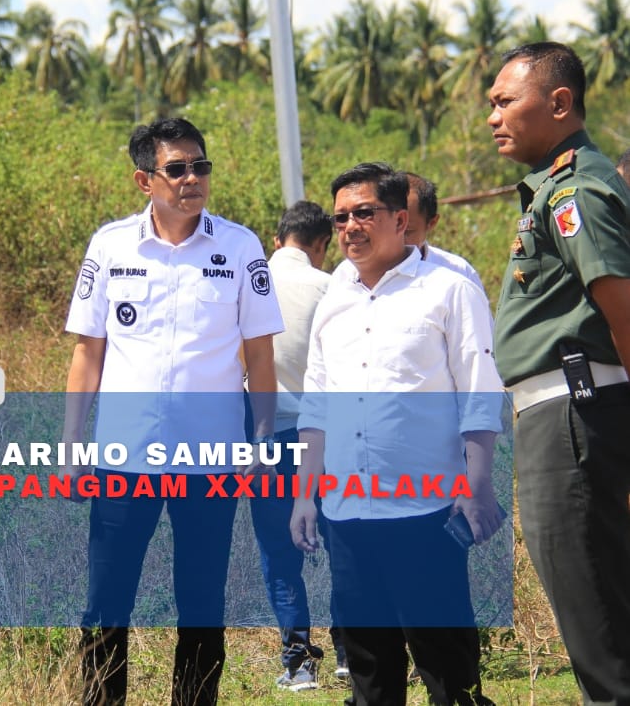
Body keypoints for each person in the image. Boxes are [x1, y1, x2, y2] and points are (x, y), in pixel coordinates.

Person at [61, 117, 283, 705]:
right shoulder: (110, 246)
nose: (192, 178)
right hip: (123, 456)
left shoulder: (240, 248)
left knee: (202, 601)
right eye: (177, 168)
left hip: (210, 459)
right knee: (107, 600)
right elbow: (87, 353)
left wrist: (262, 437)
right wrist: (72, 443)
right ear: (145, 180)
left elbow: (260, 356)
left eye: (200, 166)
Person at [290, 162, 505, 706]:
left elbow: (479, 394)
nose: (350, 227)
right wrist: (304, 496)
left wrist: (477, 485)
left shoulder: (449, 289)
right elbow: (316, 406)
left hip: (427, 513)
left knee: (448, 672)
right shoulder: (332, 299)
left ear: (401, 219)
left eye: (364, 213)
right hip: (346, 515)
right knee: (369, 672)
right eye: (341, 218)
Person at [487, 41, 630, 704]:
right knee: (599, 616)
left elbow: (620, 305)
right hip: (565, 413)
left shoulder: (575, 189)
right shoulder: (553, 187)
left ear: (559, 102)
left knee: (598, 626)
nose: (493, 116)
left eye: (505, 101)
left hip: (576, 411)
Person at [248, 200, 339, 690]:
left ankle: (299, 662)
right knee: (342, 542)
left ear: (276, 238)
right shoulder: (331, 288)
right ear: (322, 244)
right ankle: (351, 650)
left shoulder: (247, 283)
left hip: (267, 436)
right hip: (326, 435)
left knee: (278, 551)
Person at [403, 172, 485, 292]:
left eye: (406, 232)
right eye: (388, 229)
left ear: (431, 223)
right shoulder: (372, 274)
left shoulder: (459, 274)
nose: (394, 239)